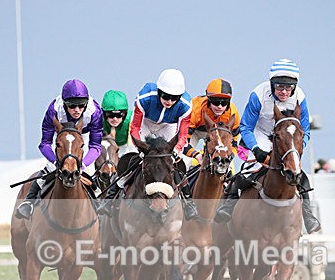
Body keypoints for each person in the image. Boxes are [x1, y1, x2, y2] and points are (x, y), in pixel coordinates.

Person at [214, 59, 320, 234]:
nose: (284, 92)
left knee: (297, 171)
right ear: (271, 84)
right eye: (279, 87)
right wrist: (256, 149)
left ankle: (308, 216)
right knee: (249, 169)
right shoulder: (258, 94)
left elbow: (305, 130)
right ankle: (229, 205)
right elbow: (246, 127)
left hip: (287, 137)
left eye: (288, 88)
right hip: (261, 134)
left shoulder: (300, 97)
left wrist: (297, 148)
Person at [99, 69, 199, 221]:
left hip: (168, 126)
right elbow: (134, 128)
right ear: (159, 91)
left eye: (174, 98)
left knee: (178, 163)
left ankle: (189, 203)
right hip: (145, 124)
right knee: (130, 157)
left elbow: (182, 134)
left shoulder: (186, 105)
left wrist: (176, 151)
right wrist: (140, 149)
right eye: (166, 96)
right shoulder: (145, 97)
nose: (170, 101)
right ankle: (109, 199)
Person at [15, 79, 103, 219]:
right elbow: (44, 144)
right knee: (50, 167)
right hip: (61, 134)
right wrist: (56, 161)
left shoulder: (95, 111)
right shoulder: (54, 111)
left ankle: (99, 204)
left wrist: (84, 164)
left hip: (82, 136)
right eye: (72, 106)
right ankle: (29, 203)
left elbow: (96, 146)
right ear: (64, 103)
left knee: (90, 171)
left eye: (81, 106)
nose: (77, 110)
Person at [182, 78, 240, 167]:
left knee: (229, 166)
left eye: (224, 102)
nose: (220, 106)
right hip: (195, 132)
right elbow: (184, 140)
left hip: (219, 135)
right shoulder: (196, 108)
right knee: (184, 160)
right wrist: (196, 155)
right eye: (216, 102)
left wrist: (229, 156)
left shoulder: (233, 114)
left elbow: (234, 144)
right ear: (208, 99)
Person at [100, 90, 134, 156]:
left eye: (119, 115)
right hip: (105, 145)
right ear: (104, 113)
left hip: (126, 146)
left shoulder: (131, 120)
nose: (115, 119)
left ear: (125, 114)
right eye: (110, 115)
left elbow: (132, 146)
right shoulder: (98, 119)